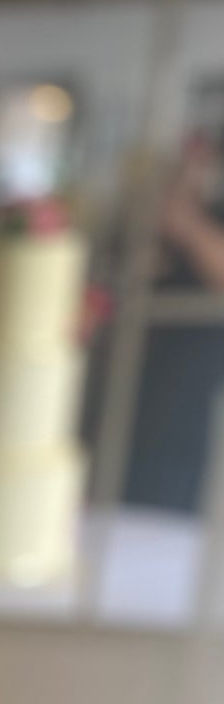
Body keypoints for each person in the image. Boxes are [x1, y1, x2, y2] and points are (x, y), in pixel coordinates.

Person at [124, 131, 224, 514]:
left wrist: (186, 219)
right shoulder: (155, 215)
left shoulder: (202, 218)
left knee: (160, 503)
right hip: (136, 377)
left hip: (188, 388)